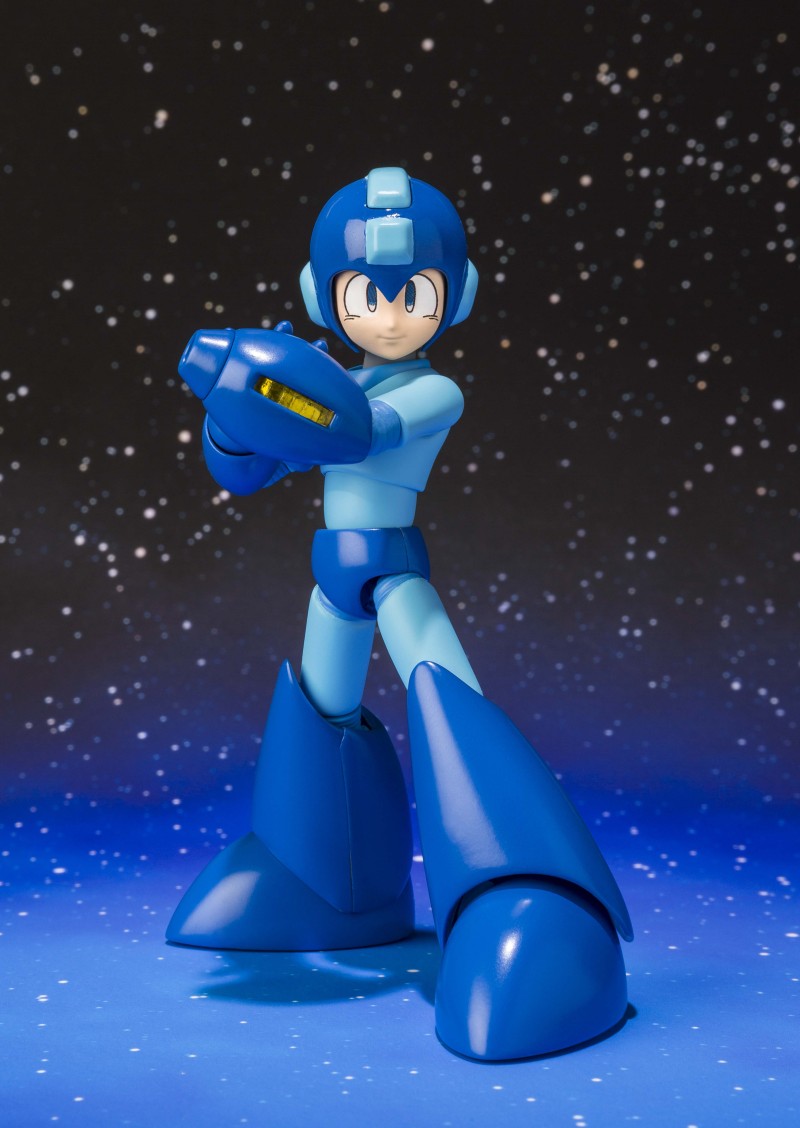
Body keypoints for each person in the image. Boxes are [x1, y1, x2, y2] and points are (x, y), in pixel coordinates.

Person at [168, 168, 633, 1061]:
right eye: (364, 296)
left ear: (455, 298)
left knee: (445, 701)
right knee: (321, 711)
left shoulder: (431, 392)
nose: (388, 317)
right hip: (334, 579)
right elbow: (251, 470)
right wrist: (233, 418)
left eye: (412, 295)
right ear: (323, 297)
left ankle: (525, 891)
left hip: (393, 574)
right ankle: (316, 874)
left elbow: (356, 431)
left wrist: (274, 386)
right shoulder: (331, 380)